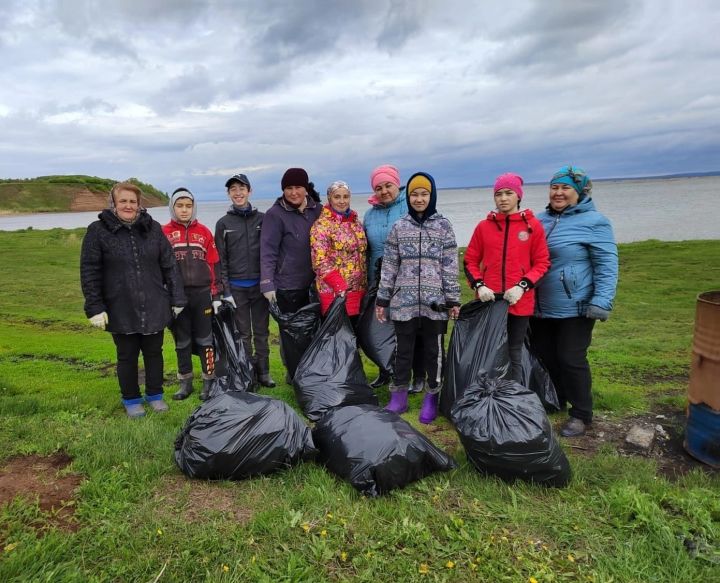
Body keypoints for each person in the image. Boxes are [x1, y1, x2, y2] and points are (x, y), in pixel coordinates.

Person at [80, 182, 186, 418]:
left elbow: (170, 265)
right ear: (114, 204)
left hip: (154, 303)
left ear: (139, 205)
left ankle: (155, 395)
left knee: (154, 352)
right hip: (120, 306)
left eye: (133, 201)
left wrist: (177, 297)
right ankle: (131, 399)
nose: (129, 205)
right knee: (127, 355)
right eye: (123, 201)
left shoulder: (153, 229)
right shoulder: (97, 231)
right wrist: (95, 307)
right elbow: (90, 271)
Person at [530, 165, 618, 437]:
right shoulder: (537, 220)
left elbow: (607, 263)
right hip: (539, 305)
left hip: (575, 305)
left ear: (580, 192)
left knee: (571, 358)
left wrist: (601, 300)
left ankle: (581, 413)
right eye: (554, 187)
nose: (558, 193)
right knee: (545, 356)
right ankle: (555, 399)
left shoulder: (595, 222)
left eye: (566, 188)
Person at [375, 171, 461, 424]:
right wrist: (383, 299)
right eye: (414, 194)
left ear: (431, 195)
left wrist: (454, 299)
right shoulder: (399, 227)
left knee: (434, 351)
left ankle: (431, 397)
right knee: (404, 350)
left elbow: (450, 265)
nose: (419, 199)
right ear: (408, 196)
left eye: (424, 194)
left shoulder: (443, 226)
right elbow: (389, 265)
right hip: (404, 301)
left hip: (435, 302)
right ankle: (398, 397)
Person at [464, 173, 550, 382]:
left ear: (518, 196)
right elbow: (470, 261)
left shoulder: (532, 226)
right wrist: (479, 285)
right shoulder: (483, 227)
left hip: (519, 302)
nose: (503, 198)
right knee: (489, 350)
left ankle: (515, 397)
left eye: (508, 193)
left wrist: (522, 286)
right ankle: (489, 395)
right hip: (490, 301)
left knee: (514, 351)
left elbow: (542, 263)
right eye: (498, 194)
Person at [363, 164, 426, 392]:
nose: (384, 191)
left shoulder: (409, 209)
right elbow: (367, 248)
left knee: (412, 328)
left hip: (407, 277)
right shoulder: (369, 215)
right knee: (383, 326)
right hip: (378, 276)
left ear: (396, 184)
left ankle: (418, 375)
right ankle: (386, 370)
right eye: (378, 187)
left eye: (388, 185)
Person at [260, 167, 322, 381]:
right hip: (287, 285)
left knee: (312, 332)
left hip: (314, 284)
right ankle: (293, 373)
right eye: (289, 188)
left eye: (298, 187)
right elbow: (268, 251)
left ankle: (311, 371)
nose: (293, 192)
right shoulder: (274, 215)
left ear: (306, 188)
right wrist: (267, 284)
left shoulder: (318, 210)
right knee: (291, 335)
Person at [215, 173, 275, 388]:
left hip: (260, 288)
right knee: (243, 334)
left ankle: (264, 372)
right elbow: (220, 260)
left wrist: (270, 283)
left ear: (250, 191)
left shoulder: (264, 219)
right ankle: (248, 373)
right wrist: (226, 291)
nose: (238, 193)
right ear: (229, 194)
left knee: (261, 332)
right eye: (233, 189)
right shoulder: (223, 224)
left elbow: (270, 252)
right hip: (236, 289)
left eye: (242, 188)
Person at [162, 188, 221, 401]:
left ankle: (209, 380)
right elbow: (159, 267)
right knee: (182, 341)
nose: (184, 210)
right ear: (172, 207)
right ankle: (184, 382)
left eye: (188, 206)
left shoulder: (204, 232)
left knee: (206, 340)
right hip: (177, 297)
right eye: (180, 205)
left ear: (193, 207)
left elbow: (214, 264)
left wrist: (215, 295)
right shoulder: (163, 232)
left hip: (202, 295)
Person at [310, 181, 367, 322]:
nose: (342, 201)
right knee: (338, 340)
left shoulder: (355, 223)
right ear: (329, 198)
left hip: (358, 291)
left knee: (354, 338)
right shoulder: (322, 225)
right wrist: (340, 286)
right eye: (337, 197)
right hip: (335, 294)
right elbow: (320, 262)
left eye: (345, 197)